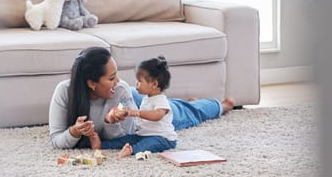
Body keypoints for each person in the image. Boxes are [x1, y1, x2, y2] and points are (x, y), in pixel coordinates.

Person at [48, 46, 235, 149]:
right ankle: (186, 104)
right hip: (137, 103)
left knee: (183, 114)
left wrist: (112, 122)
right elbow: (56, 140)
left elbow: (131, 134)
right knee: (178, 107)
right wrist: (74, 131)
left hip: (140, 110)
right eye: (111, 77)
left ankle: (220, 106)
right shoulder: (64, 92)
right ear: (91, 83)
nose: (118, 80)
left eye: (117, 75)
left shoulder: (119, 89)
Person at [89, 55, 178, 158]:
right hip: (142, 135)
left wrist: (137, 113)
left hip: (162, 138)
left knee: (148, 144)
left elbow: (158, 115)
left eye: (140, 81)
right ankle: (101, 145)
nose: (136, 84)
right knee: (126, 139)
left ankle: (132, 150)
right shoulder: (146, 98)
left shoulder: (161, 99)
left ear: (154, 84)